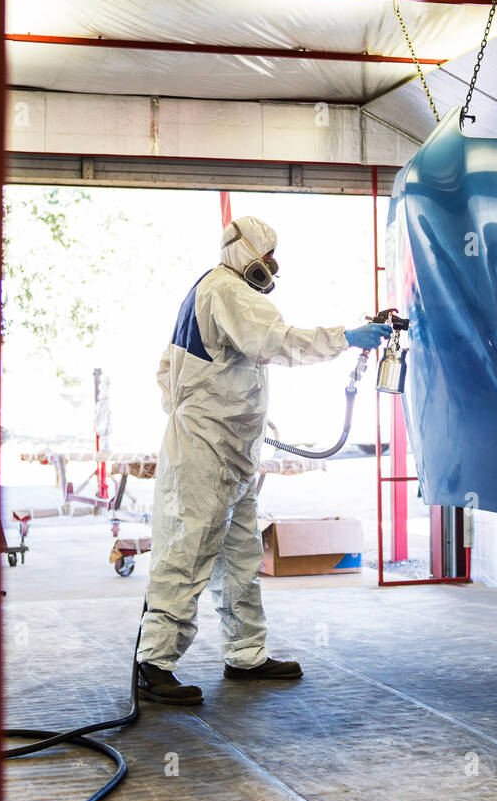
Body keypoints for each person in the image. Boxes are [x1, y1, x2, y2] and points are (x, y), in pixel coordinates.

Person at [136, 216, 392, 704]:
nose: (272, 265)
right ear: (244, 251)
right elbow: (276, 343)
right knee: (187, 553)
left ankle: (246, 655)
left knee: (239, 558)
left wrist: (205, 416)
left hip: (228, 452)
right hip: (206, 453)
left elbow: (167, 370)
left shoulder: (207, 291)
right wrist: (346, 338)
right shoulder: (227, 291)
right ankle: (154, 663)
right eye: (267, 254)